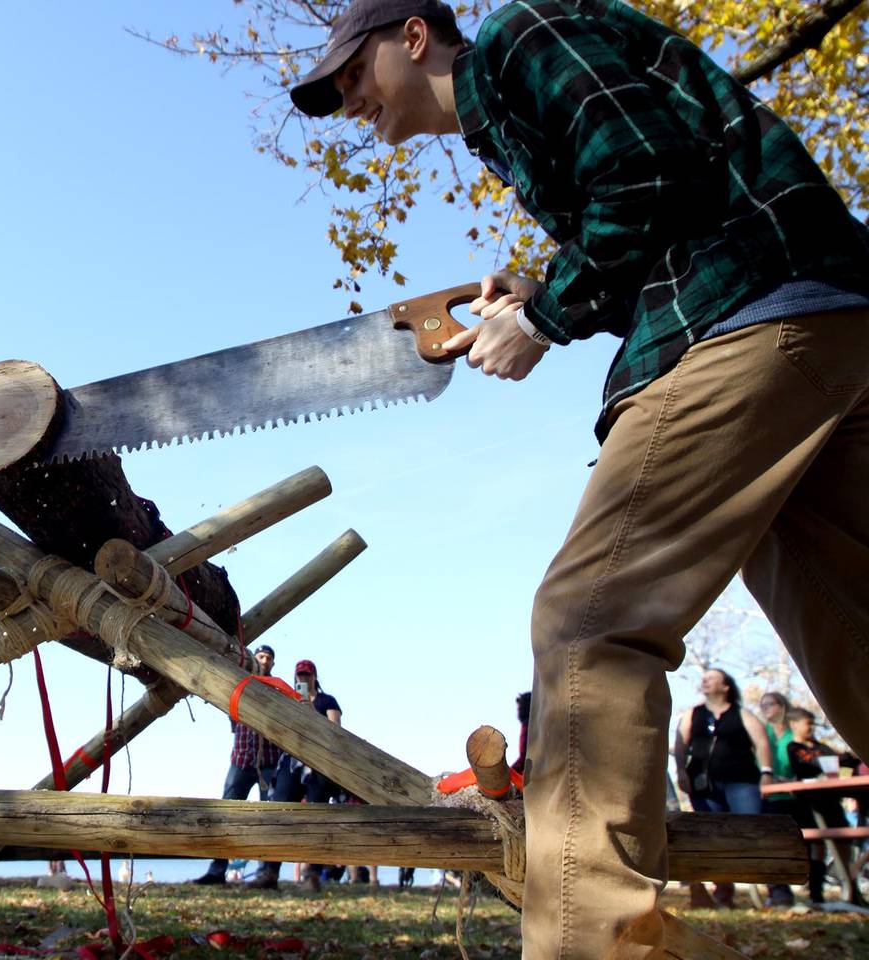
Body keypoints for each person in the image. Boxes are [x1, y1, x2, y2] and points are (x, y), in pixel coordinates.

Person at [288, 0, 869, 953]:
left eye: (353, 75)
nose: (349, 102)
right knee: (852, 629)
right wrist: (541, 286)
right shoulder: (509, 119)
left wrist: (544, 318)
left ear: (415, 36)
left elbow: (647, 172)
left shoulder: (522, 40)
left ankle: (592, 944)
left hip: (746, 318)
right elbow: (656, 196)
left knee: (587, 621)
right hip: (822, 321)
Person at [672, 669, 771, 907]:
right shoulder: (692, 715)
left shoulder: (742, 714)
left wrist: (766, 772)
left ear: (726, 686)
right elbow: (679, 744)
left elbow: (761, 742)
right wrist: (682, 771)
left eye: (712, 677)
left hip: (742, 781)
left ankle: (777, 891)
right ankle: (723, 893)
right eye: (704, 678)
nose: (705, 680)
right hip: (703, 785)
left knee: (752, 829)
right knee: (711, 836)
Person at [246, 659, 342, 890]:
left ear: (315, 676)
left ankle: (312, 875)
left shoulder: (327, 701)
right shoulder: (288, 698)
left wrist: (311, 714)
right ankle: (269, 872)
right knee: (279, 813)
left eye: (307, 675)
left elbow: (336, 731)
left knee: (316, 817)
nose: (303, 679)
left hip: (319, 765)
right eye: (300, 675)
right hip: (290, 762)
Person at [193, 644, 284, 885]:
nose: (264, 660)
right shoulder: (240, 682)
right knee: (226, 812)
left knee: (271, 817)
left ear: (273, 664)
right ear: (254, 658)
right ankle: (216, 870)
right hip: (241, 759)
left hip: (270, 761)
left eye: (268, 658)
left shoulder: (279, 688)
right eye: (261, 656)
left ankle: (266, 873)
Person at [784, 707, 863, 905]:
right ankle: (815, 894)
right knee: (817, 847)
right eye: (807, 724)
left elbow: (844, 761)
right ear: (795, 725)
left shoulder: (821, 746)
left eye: (812, 724)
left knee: (844, 845)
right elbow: (806, 766)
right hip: (810, 803)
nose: (810, 728)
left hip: (831, 801)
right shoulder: (794, 748)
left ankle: (852, 890)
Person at [758, 692, 797, 906]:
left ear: (781, 705)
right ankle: (777, 890)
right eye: (762, 705)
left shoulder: (796, 730)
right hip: (769, 795)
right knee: (771, 840)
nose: (765, 709)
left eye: (769, 704)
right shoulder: (762, 733)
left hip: (797, 794)